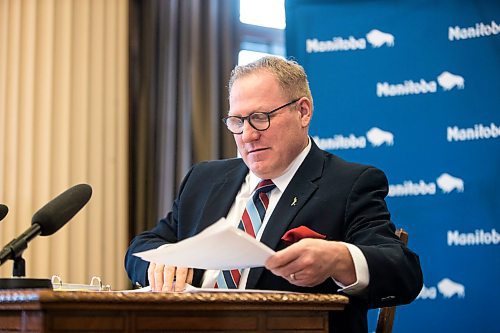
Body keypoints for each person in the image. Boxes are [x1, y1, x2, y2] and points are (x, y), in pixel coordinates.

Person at [125, 56, 423, 332]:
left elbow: (403, 272)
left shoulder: (350, 184)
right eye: (237, 122)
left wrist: (339, 259)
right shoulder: (204, 179)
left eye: (260, 117)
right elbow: (144, 245)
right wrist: (160, 261)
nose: (248, 135)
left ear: (303, 111)